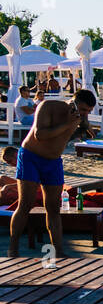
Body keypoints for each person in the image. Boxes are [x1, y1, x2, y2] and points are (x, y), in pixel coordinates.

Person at [8, 88, 96, 259]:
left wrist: (83, 129)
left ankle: (59, 251)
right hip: (31, 156)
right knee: (25, 204)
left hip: (53, 161)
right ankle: (13, 249)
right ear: (73, 102)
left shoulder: (80, 118)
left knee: (54, 208)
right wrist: (68, 124)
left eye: (89, 111)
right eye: (83, 109)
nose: (85, 114)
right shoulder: (48, 106)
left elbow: (65, 136)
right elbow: (40, 135)